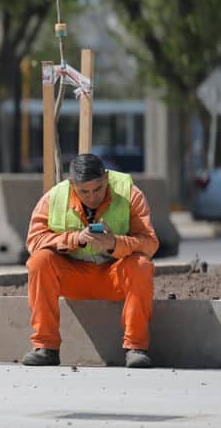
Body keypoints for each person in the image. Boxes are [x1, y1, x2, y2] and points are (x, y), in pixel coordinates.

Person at [21, 153, 159, 368]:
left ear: (106, 179)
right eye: (84, 191)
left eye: (98, 189)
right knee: (39, 261)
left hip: (114, 277)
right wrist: (76, 239)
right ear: (71, 184)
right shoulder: (54, 197)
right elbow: (34, 241)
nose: (92, 197)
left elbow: (149, 243)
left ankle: (136, 347)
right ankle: (45, 347)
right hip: (72, 278)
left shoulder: (130, 194)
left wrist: (115, 243)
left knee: (141, 265)